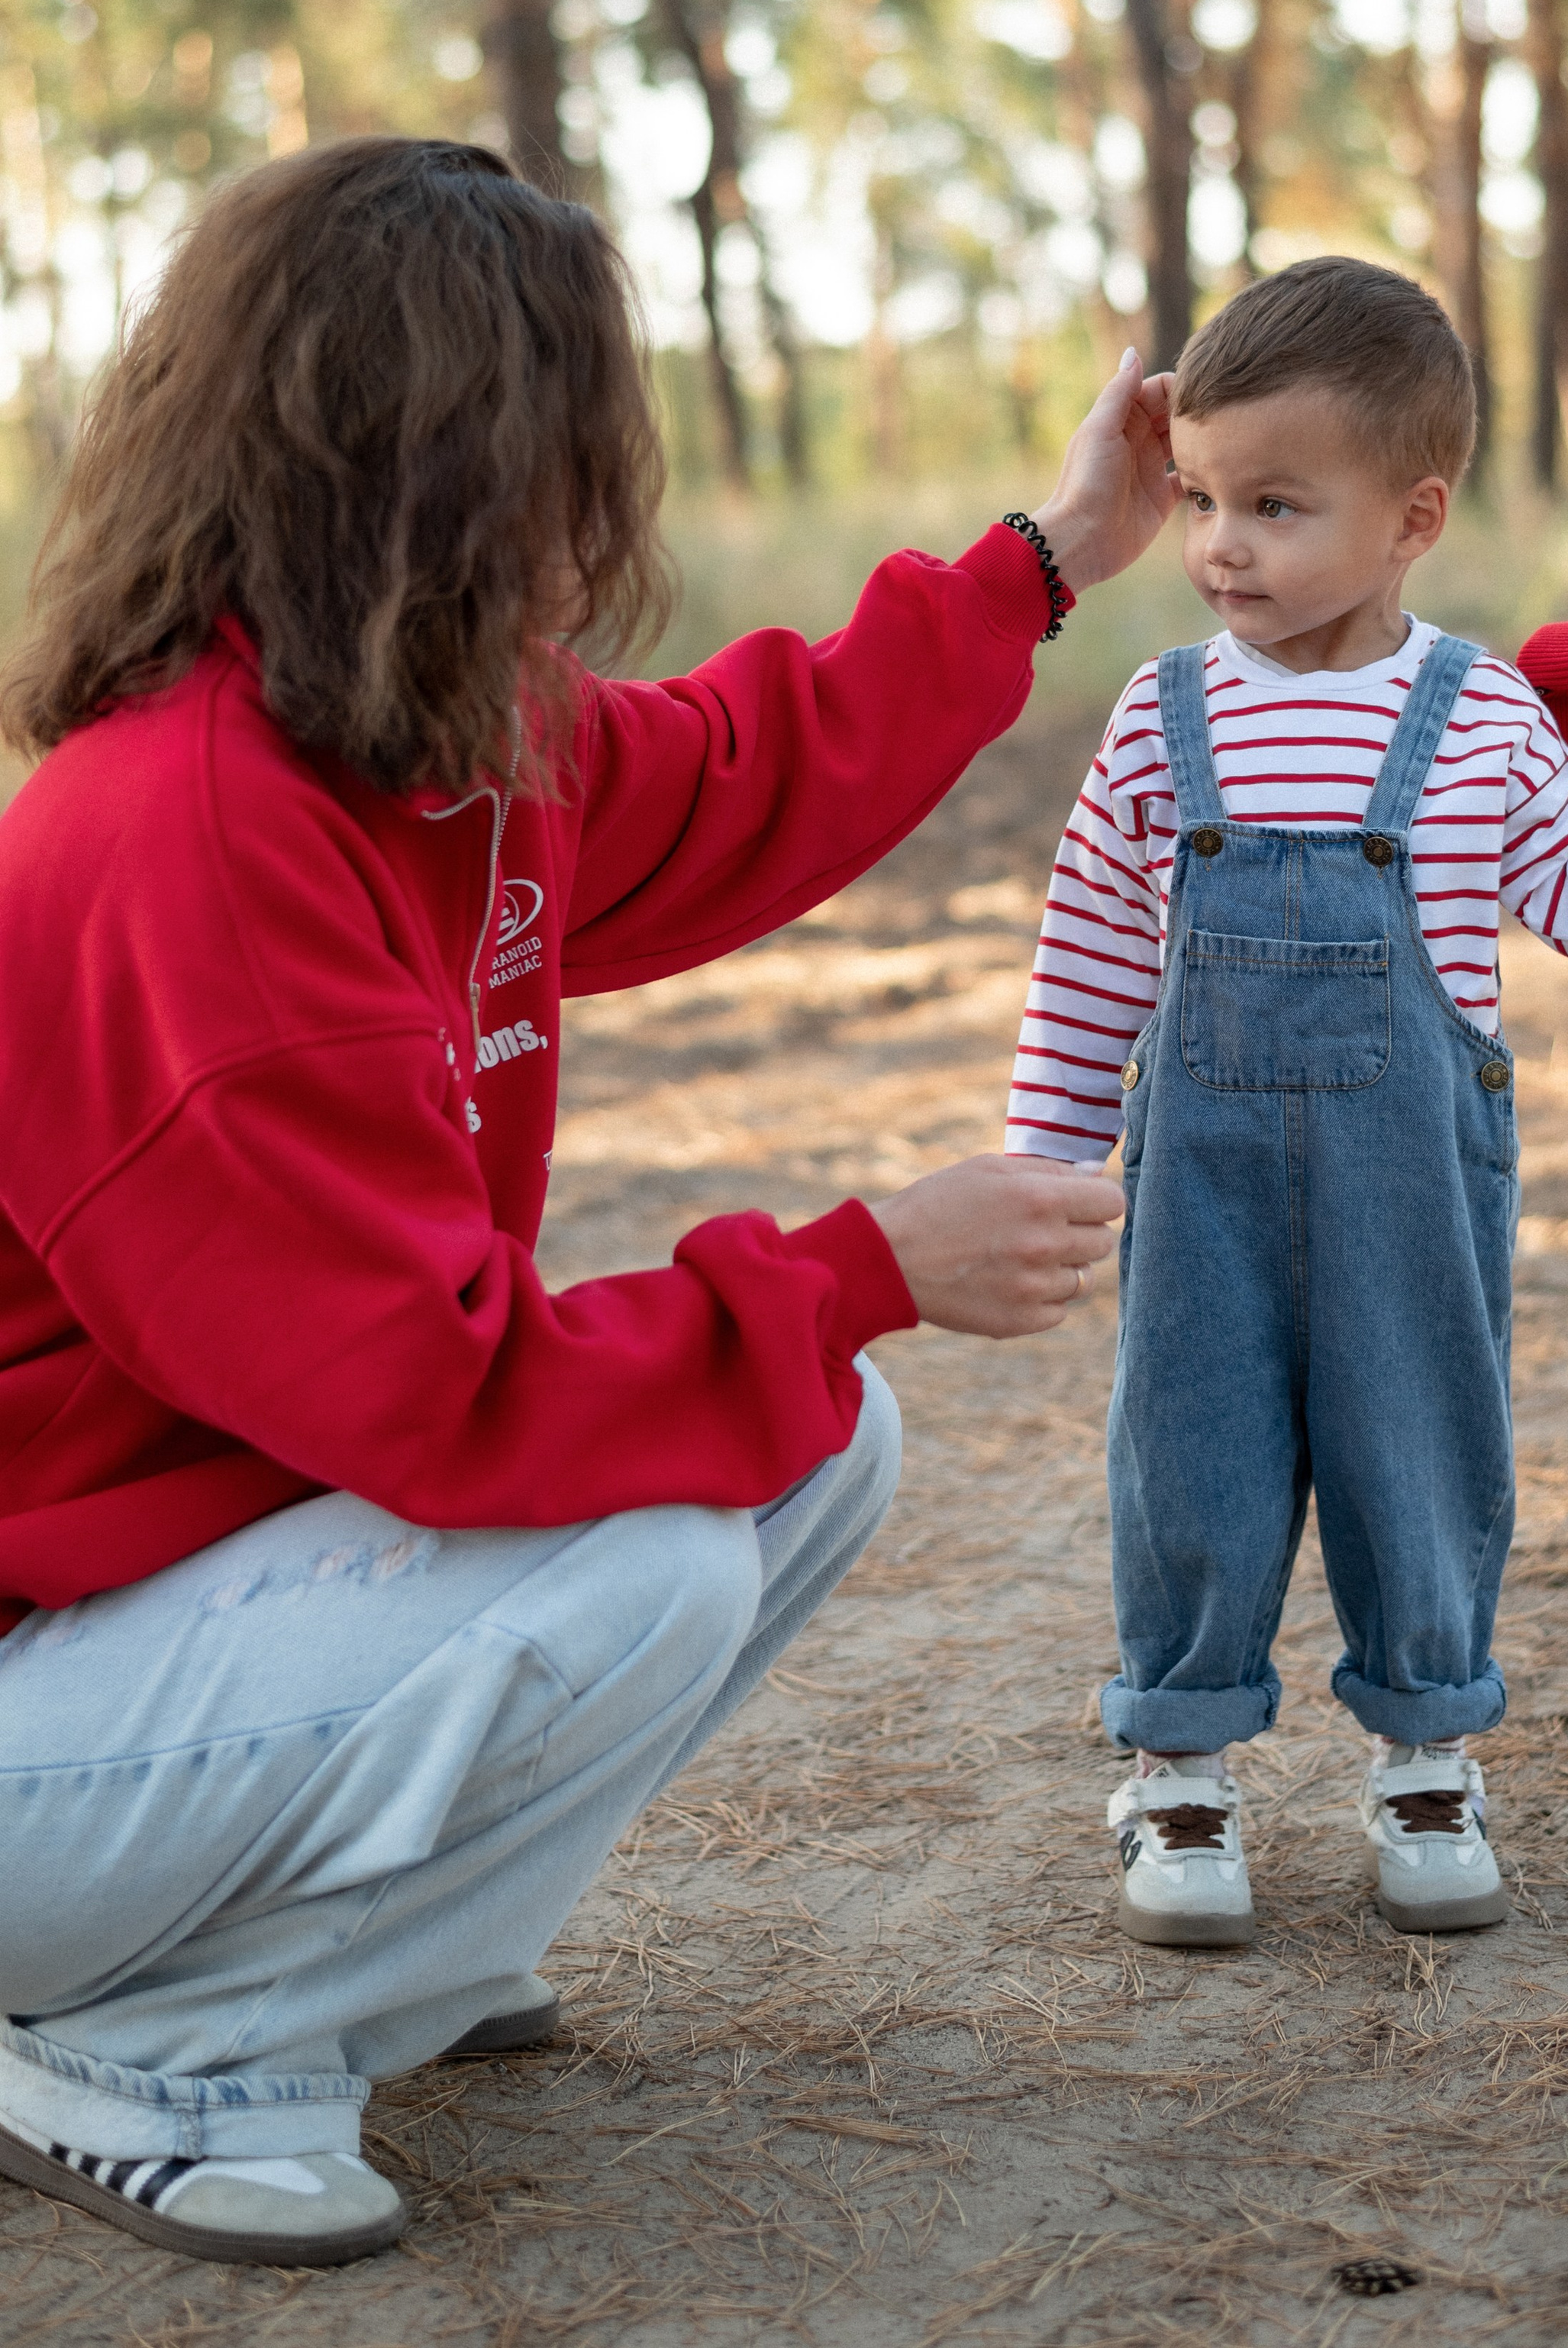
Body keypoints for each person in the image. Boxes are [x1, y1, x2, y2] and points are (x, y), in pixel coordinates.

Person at [0, 135, 1176, 2268]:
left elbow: (747, 761)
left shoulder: (431, 745)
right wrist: (857, 1267)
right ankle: (148, 2049)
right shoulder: (183, 841)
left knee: (810, 1438)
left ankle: (370, 1959)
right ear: (430, 466)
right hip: (32, 1710)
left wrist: (1053, 551)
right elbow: (439, 1399)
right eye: (568, 446)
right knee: (646, 1543)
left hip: (139, 1649)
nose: (601, 507)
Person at [1003, 257, 1568, 1948]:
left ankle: (1423, 1757)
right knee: (1191, 1449)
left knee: (1416, 1444)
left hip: (1412, 1175)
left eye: (1273, 505)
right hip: (1203, 1181)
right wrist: (1044, 1157)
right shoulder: (1163, 715)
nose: (1220, 546)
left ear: (1410, 518)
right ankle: (1177, 1773)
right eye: (1197, 501)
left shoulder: (1477, 713)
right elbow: (1093, 940)